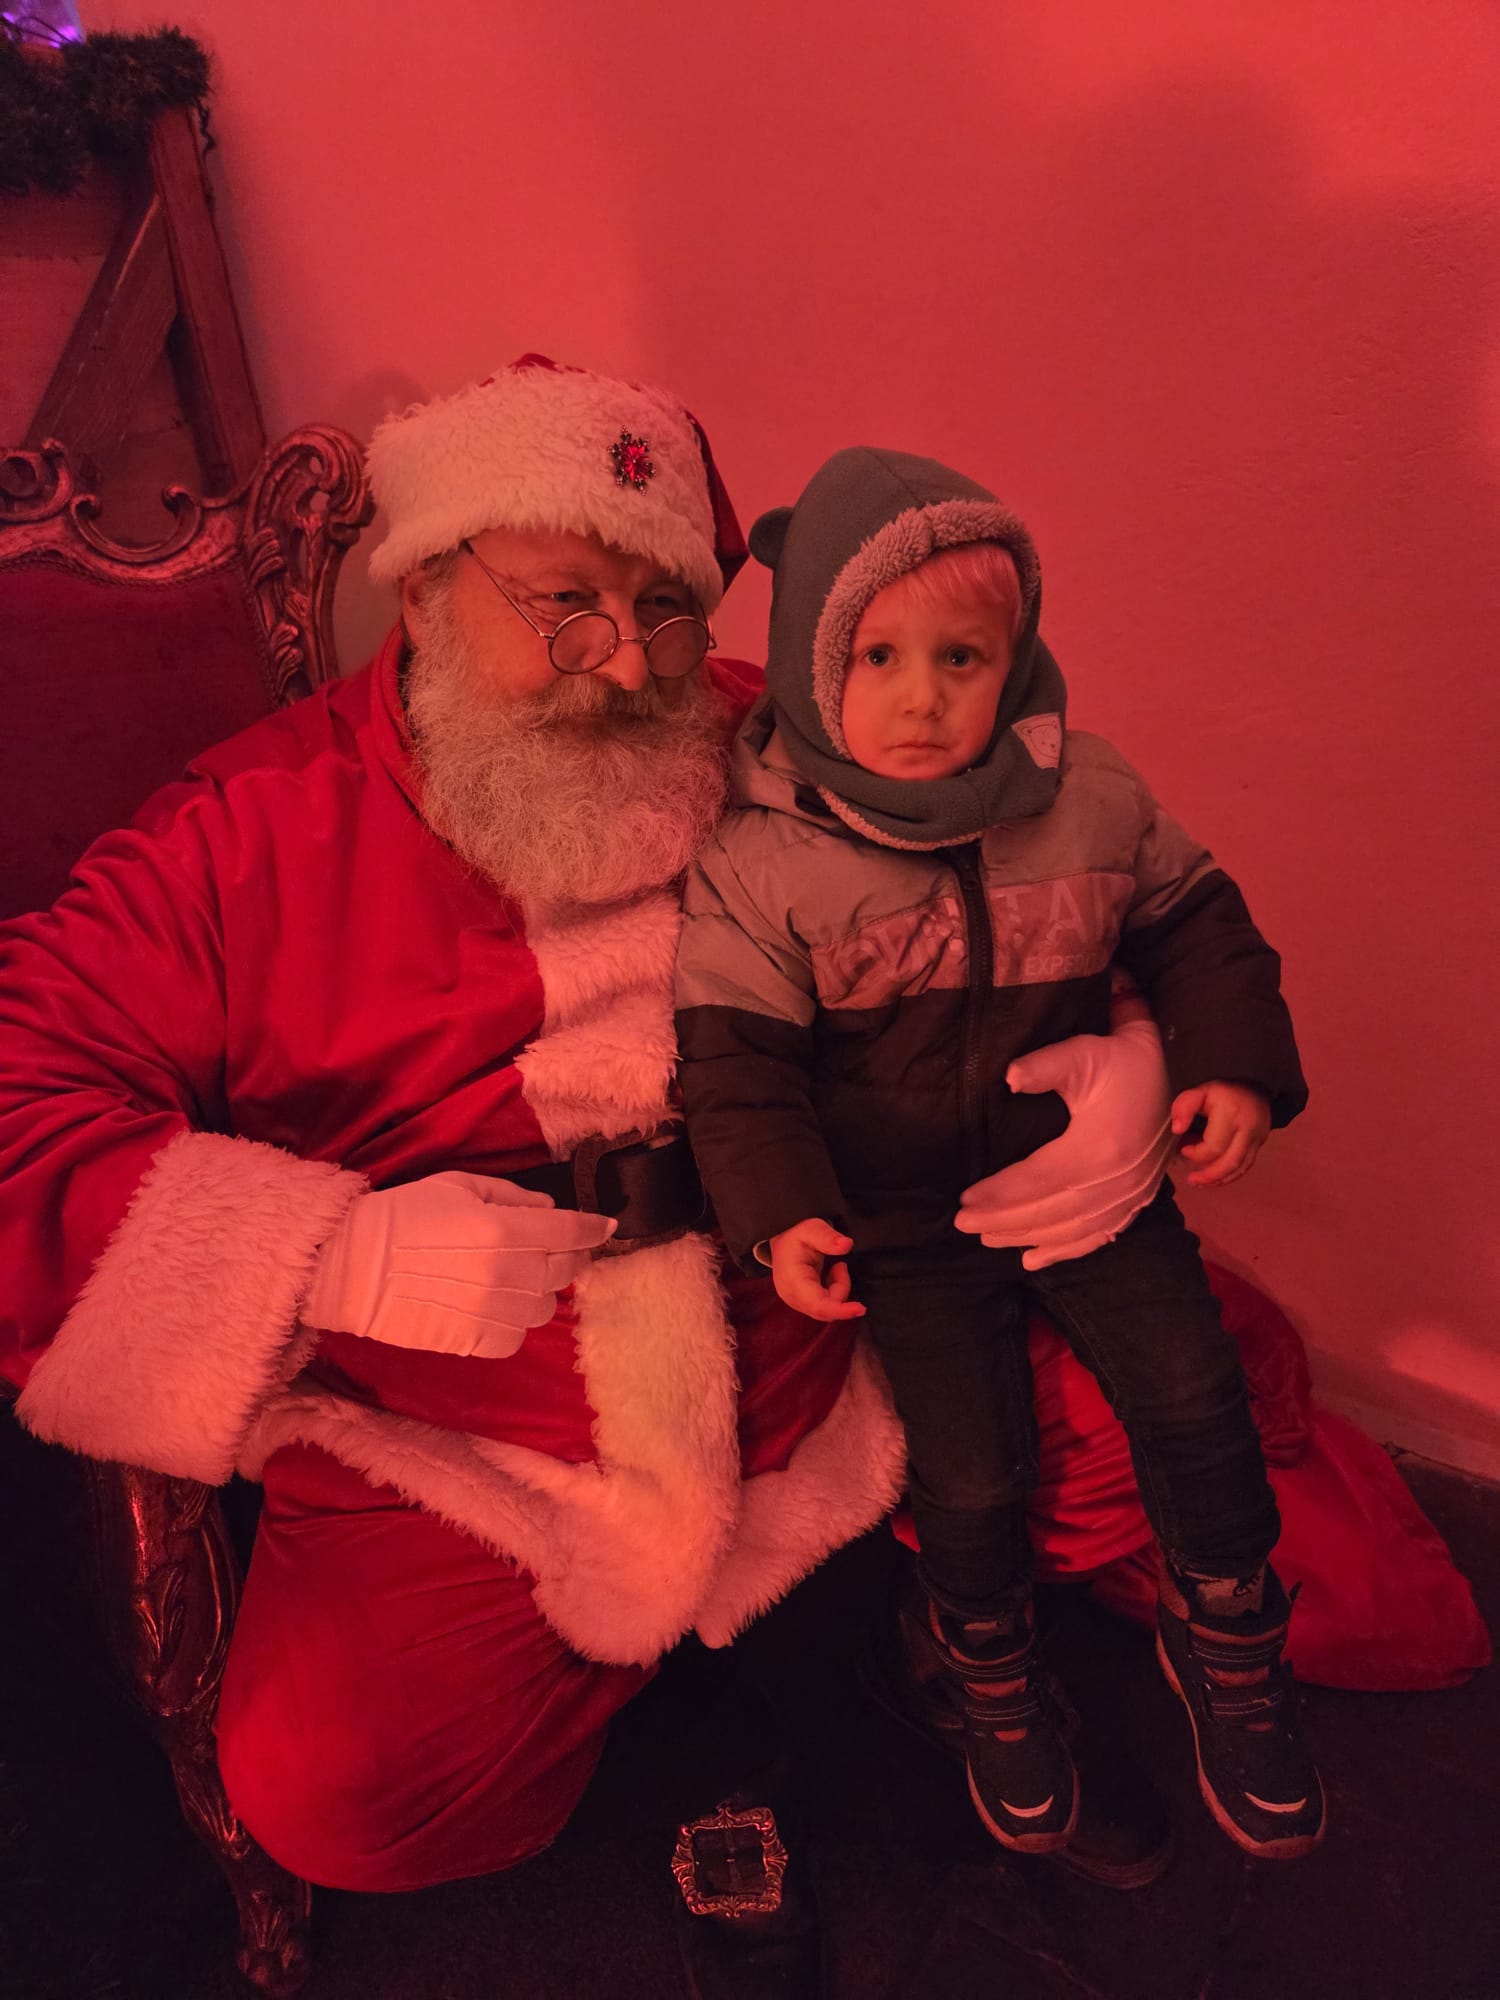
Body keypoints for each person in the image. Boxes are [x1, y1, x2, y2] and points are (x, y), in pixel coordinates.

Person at [0, 361, 1187, 1995]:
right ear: (430, 581)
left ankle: (922, 1630)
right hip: (490, 1434)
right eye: (563, 603)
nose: (627, 665)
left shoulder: (776, 726)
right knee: (335, 1789)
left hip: (846, 1315)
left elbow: (1044, 872)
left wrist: (1132, 1045)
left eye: (666, 609)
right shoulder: (245, 833)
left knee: (1171, 1414)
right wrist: (325, 1255)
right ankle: (705, 1723)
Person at [675, 444, 1327, 1864]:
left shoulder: (1086, 794)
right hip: (905, 1219)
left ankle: (1231, 1630)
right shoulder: (764, 859)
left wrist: (1226, 1065)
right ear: (810, 668)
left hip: (1088, 1182)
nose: (923, 698)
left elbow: (1201, 925)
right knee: (972, 1469)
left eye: (961, 657)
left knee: (1193, 1387)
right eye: (880, 659)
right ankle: (988, 1662)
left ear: (1015, 658)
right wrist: (781, 1214)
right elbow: (735, 1065)